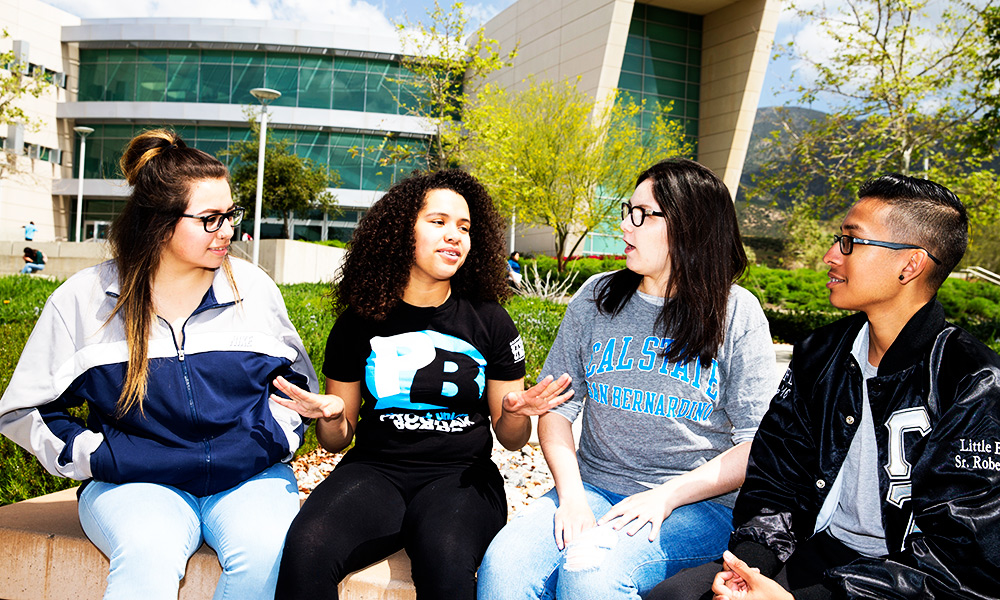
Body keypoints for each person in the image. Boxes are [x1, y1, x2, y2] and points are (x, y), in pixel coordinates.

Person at [649, 173, 1000, 600]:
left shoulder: (973, 381)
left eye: (851, 241)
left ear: (910, 264)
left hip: (903, 579)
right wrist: (750, 569)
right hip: (821, 550)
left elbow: (963, 562)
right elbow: (775, 480)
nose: (831, 255)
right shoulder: (822, 354)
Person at [0, 129, 318, 600]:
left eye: (230, 215)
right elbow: (25, 409)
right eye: (210, 219)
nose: (227, 230)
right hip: (136, 483)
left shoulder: (254, 288)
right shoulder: (85, 299)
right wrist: (97, 455)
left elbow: (295, 387)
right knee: (149, 554)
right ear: (158, 222)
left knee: (270, 554)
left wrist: (275, 433)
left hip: (250, 477)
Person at [477, 158, 777, 600]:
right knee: (504, 569)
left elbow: (756, 442)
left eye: (642, 214)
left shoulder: (736, 312)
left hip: (695, 504)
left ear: (690, 225)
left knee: (589, 572)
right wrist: (573, 495)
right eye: (626, 210)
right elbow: (557, 410)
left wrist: (666, 496)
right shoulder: (596, 298)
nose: (625, 227)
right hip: (593, 486)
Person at [272, 169, 572, 600]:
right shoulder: (358, 322)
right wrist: (335, 418)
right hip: (375, 471)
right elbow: (336, 441)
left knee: (445, 557)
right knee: (307, 547)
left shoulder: (490, 321)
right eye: (439, 222)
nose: (454, 235)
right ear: (400, 230)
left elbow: (512, 440)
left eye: (464, 227)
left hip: (462, 480)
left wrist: (512, 411)